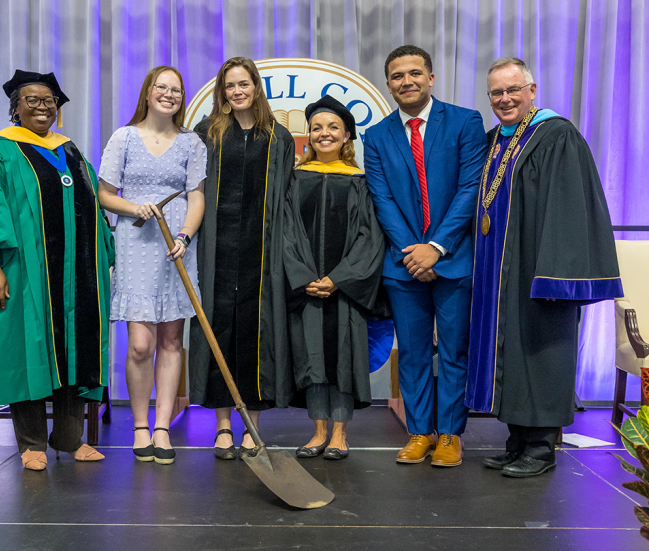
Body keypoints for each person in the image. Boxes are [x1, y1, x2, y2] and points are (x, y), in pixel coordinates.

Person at [0, 70, 113, 471]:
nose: (43, 107)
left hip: (78, 279)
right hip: (25, 276)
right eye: (33, 101)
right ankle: (32, 442)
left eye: (50, 101)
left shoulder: (70, 150)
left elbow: (93, 208)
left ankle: (70, 439)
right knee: (29, 352)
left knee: (76, 354)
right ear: (16, 107)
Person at [465, 57, 622, 478]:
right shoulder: (497, 138)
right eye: (496, 92)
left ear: (531, 91)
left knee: (541, 353)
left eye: (512, 89)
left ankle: (541, 447)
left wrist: (556, 274)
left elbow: (570, 209)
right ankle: (518, 441)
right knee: (513, 357)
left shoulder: (556, 135)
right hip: (501, 273)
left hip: (539, 270)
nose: (504, 98)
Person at [363, 45, 487, 468]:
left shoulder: (465, 122)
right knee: (413, 353)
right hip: (403, 265)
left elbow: (470, 189)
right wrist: (413, 252)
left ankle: (451, 434)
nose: (407, 81)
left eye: (414, 73)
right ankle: (420, 432)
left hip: (453, 259)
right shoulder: (376, 136)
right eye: (398, 76)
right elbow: (382, 200)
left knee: (454, 351)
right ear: (389, 84)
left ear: (430, 78)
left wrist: (436, 248)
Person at [97, 66, 206, 465]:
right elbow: (104, 194)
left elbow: (196, 198)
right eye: (161, 87)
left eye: (176, 89)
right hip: (136, 240)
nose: (168, 94)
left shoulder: (192, 143)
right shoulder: (123, 138)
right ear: (147, 93)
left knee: (171, 342)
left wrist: (185, 236)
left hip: (175, 245)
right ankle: (140, 425)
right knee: (141, 345)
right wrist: (135, 206)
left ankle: (162, 427)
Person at [190, 57, 295, 460]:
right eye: (230, 86)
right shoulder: (207, 133)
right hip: (215, 252)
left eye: (243, 84)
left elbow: (285, 199)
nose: (237, 92)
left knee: (255, 335)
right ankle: (221, 427)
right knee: (219, 331)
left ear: (255, 87)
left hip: (261, 255)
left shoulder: (278, 137)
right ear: (223, 91)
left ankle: (251, 425)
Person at [282, 95, 386, 460]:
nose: (324, 134)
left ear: (346, 137)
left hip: (344, 292)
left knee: (342, 358)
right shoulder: (294, 180)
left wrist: (339, 278)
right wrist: (305, 276)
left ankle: (340, 434)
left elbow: (369, 237)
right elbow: (286, 232)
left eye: (333, 128)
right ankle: (318, 431)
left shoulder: (360, 181)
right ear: (307, 136)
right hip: (307, 287)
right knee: (312, 358)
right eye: (316, 128)